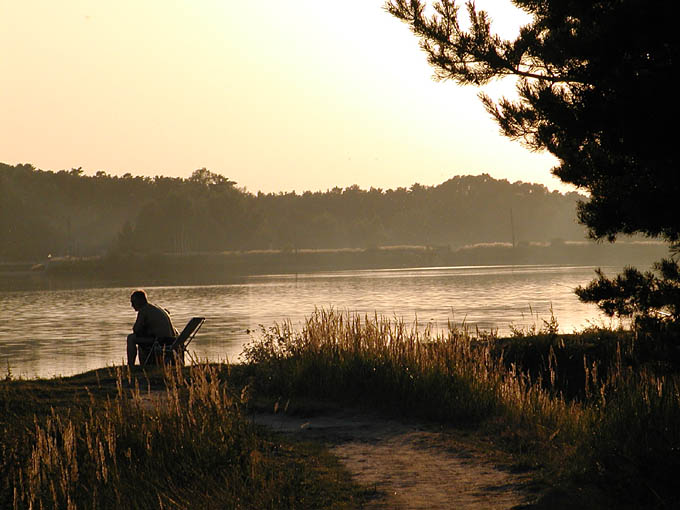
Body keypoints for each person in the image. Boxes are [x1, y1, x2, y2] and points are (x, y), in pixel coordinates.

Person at [127, 290, 177, 366]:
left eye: (133, 302)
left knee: (131, 338)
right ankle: (145, 364)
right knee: (141, 338)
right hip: (171, 340)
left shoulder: (144, 310)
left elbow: (136, 329)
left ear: (140, 300)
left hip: (161, 341)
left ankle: (130, 365)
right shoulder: (155, 308)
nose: (132, 305)